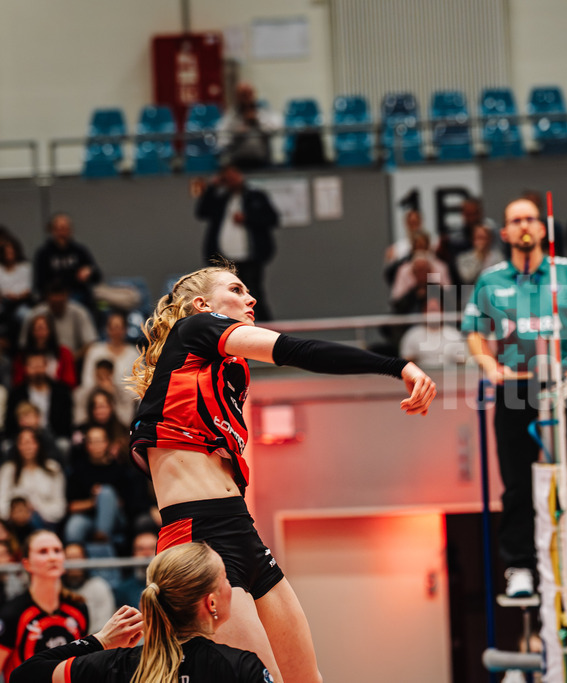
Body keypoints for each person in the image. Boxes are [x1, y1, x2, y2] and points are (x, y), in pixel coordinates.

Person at [127, 263, 436, 682]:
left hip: (242, 531)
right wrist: (397, 366)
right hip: (197, 537)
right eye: (236, 290)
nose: (251, 299)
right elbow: (296, 350)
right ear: (201, 305)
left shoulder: (229, 371)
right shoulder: (196, 329)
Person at [462, 198, 567, 597]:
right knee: (516, 483)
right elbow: (474, 328)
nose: (524, 225)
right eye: (515, 221)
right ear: (504, 233)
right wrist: (490, 367)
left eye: (531, 219)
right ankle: (521, 568)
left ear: (543, 229)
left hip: (564, 388)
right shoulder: (491, 279)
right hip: (515, 388)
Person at [10, 542, 273, 683]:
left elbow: (24, 675)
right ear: (211, 603)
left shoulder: (116, 665)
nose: (231, 585)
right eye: (225, 578)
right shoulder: (240, 667)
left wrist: (99, 641)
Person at [194, 164, 280, 321]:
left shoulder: (255, 196)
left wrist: (248, 219)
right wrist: (213, 186)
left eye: (234, 176)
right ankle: (226, 326)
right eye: (228, 178)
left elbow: (272, 219)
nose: (232, 181)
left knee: (253, 292)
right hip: (224, 258)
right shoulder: (221, 200)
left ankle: (264, 327)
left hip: (251, 257)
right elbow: (202, 212)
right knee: (224, 295)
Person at [0, 530, 89, 678]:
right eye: (43, 552)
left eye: (57, 551)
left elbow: (83, 664)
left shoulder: (78, 608)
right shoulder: (12, 613)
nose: (52, 557)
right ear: (27, 564)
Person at [31, 213, 101, 311]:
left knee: (92, 306)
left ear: (71, 230)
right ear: (52, 231)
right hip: (53, 298)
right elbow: (39, 284)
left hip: (78, 296)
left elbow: (98, 276)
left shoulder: (80, 251)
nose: (62, 233)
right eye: (59, 229)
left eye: (65, 229)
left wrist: (89, 272)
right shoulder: (44, 253)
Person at [78, 311, 138, 425]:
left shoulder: (133, 354)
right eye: (113, 327)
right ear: (107, 329)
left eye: (119, 327)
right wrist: (102, 389)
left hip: (123, 404)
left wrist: (115, 391)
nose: (116, 331)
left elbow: (137, 389)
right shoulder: (95, 351)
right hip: (95, 400)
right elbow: (86, 382)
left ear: (125, 330)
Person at [0, 428, 66, 530]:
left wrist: (35, 509)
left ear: (38, 444)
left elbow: (60, 508)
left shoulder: (53, 468)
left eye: (31, 442)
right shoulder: (8, 470)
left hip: (45, 522)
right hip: (12, 524)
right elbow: (2, 502)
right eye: (23, 443)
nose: (27, 447)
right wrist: (15, 513)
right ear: (17, 446)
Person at [6, 351, 74, 441]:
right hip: (24, 436)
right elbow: (11, 423)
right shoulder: (17, 393)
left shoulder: (61, 391)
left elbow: (66, 423)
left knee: (63, 444)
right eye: (33, 366)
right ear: (25, 368)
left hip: (53, 435)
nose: (37, 370)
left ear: (46, 366)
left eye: (40, 366)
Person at [216, 81, 282, 170]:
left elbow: (277, 128)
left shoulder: (263, 112)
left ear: (254, 94)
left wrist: (258, 121)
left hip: (262, 162)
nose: (246, 98)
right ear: (237, 96)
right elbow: (221, 142)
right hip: (238, 164)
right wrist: (236, 134)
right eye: (243, 95)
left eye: (249, 94)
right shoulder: (230, 117)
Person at [13, 313, 78, 388]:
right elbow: (18, 382)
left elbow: (70, 381)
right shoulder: (22, 355)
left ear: (50, 330)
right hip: (28, 393)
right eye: (37, 329)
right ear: (31, 332)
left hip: (58, 393)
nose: (40, 333)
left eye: (43, 329)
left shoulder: (64, 353)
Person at [62, 543, 116, 632]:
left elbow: (103, 625)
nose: (74, 563)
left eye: (77, 558)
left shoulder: (98, 586)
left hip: (94, 641)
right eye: (69, 558)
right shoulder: (58, 589)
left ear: (86, 559)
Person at [0, 232, 33, 347]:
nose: (10, 254)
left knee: (27, 315)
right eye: (7, 252)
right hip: (5, 302)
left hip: (22, 302)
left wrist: (19, 296)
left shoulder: (25, 267)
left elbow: (28, 288)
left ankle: (24, 344)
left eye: (12, 251)